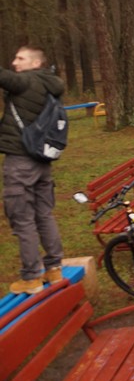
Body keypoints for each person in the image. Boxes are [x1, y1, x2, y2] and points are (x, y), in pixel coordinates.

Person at [1, 46, 65, 294]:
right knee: (44, 215)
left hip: (20, 160)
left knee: (22, 219)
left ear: (35, 63)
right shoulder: (51, 84)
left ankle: (31, 277)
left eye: (20, 58)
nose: (14, 62)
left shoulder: (27, 80)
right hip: (42, 160)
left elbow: (4, 77)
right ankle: (54, 267)